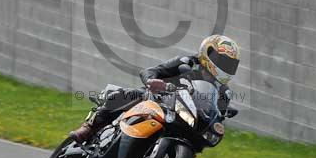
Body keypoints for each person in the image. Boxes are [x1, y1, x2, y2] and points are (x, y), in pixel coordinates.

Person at [69, 34, 240, 143]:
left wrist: (220, 118)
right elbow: (151, 71)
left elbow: (216, 114)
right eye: (221, 60)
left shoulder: (224, 91)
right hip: (157, 100)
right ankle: (88, 127)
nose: (224, 66)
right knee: (128, 95)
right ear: (208, 53)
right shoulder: (188, 62)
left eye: (229, 64)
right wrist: (152, 81)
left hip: (185, 118)